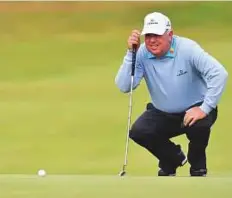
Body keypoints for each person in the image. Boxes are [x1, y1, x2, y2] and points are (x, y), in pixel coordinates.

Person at [115, 12, 228, 176]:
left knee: (199, 126)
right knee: (139, 131)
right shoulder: (141, 54)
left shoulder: (188, 49)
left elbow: (219, 74)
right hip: (163, 112)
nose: (152, 40)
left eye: (157, 35)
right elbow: (124, 86)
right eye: (148, 35)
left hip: (195, 109)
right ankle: (172, 158)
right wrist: (130, 54)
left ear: (170, 34)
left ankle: (197, 168)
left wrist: (205, 108)